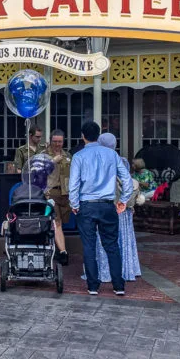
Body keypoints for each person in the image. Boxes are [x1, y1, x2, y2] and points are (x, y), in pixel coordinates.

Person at [69, 121, 133, 296]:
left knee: (89, 246)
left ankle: (92, 285)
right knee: (112, 245)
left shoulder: (79, 157)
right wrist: (124, 200)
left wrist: (74, 204)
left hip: (87, 205)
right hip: (107, 204)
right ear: (98, 135)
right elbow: (127, 180)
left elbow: (73, 184)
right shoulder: (112, 155)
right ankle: (118, 285)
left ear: (83, 136)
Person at [86, 135, 141, 282]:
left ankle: (105, 271)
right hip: (122, 208)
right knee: (120, 239)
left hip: (104, 206)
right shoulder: (121, 160)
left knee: (104, 238)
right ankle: (125, 270)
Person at [44, 129, 70, 265]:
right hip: (51, 193)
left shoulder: (67, 156)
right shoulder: (44, 155)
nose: (57, 144)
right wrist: (52, 161)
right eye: (55, 141)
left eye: (60, 141)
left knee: (62, 223)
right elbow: (36, 172)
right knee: (57, 223)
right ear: (50, 140)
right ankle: (63, 252)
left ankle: (58, 249)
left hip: (65, 194)